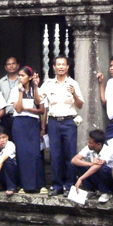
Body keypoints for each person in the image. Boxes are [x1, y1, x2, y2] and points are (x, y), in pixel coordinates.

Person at [39, 55, 84, 196]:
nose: (60, 67)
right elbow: (38, 100)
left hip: (69, 121)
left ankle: (69, 185)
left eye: (63, 64)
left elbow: (80, 105)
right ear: (53, 67)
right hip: (53, 122)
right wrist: (35, 86)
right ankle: (57, 185)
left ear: (67, 67)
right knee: (55, 155)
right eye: (58, 64)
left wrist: (74, 94)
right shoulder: (48, 84)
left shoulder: (73, 84)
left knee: (69, 153)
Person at [10, 66, 47, 194]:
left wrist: (36, 87)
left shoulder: (37, 89)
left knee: (36, 154)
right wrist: (21, 92)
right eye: (19, 75)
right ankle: (24, 185)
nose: (20, 78)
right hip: (20, 123)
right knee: (22, 154)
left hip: (33, 123)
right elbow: (18, 109)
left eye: (23, 75)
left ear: (30, 77)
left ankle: (40, 184)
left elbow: (41, 108)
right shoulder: (15, 90)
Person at [71, 129, 113, 203]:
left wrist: (80, 179)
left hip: (108, 179)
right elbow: (74, 160)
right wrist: (90, 164)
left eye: (90, 142)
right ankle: (90, 190)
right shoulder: (89, 148)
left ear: (98, 144)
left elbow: (97, 166)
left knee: (102, 168)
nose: (88, 144)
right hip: (95, 176)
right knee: (76, 165)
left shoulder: (108, 150)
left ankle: (106, 192)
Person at [0, 56, 21, 138]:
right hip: (6, 117)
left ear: (18, 66)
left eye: (13, 64)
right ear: (5, 67)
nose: (11, 66)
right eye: (8, 64)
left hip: (19, 115)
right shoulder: (1, 82)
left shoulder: (23, 80)